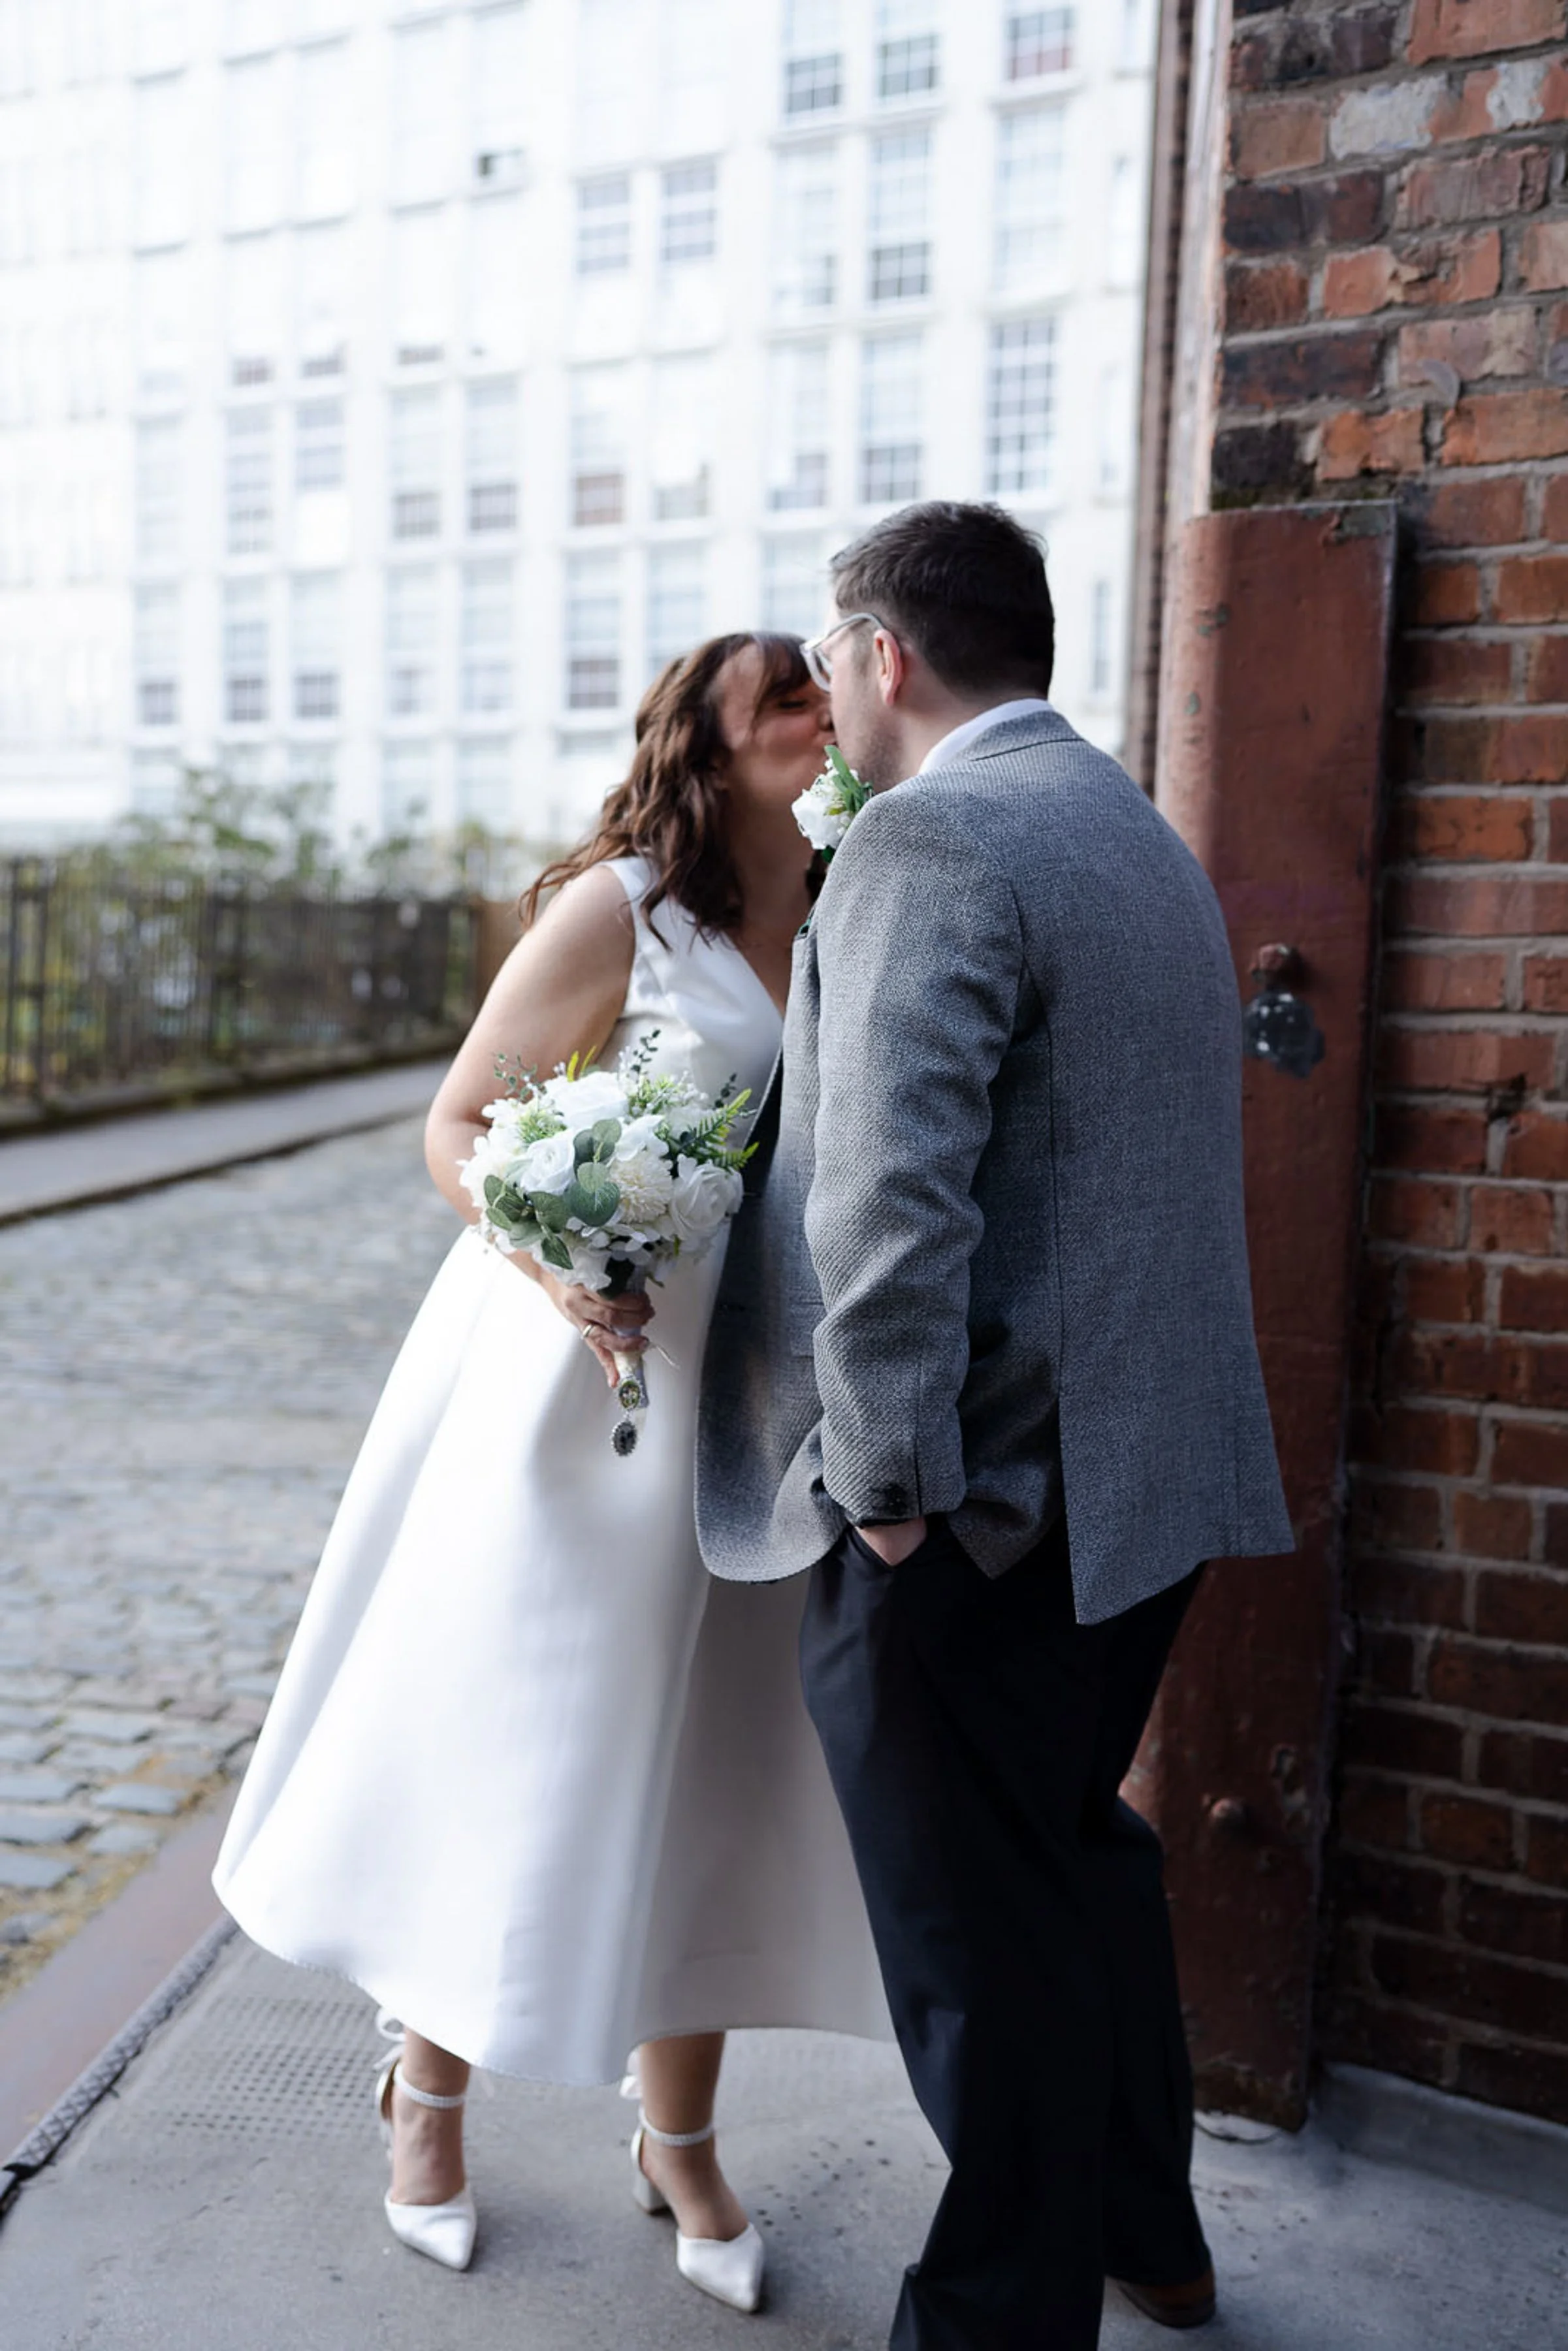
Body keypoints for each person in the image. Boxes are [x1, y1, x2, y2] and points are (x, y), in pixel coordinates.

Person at [214, 633, 888, 2301]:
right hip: (579, 1389)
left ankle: (682, 2143)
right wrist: (563, 1263)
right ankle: (424, 2094)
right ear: (712, 739)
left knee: (716, 1766)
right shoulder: (622, 912)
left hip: (766, 1408)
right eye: (786, 695)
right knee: (516, 1737)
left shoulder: (866, 890)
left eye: (830, 686)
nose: (822, 708)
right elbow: (460, 1125)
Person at [697, 504, 1294, 2350]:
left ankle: (995, 2322)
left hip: (985, 1507)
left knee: (978, 1947)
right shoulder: (1131, 829)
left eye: (832, 650)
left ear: (886, 656)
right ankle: (1152, 2234)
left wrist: (883, 1494)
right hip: (1153, 1483)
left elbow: (889, 1204)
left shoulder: (935, 837)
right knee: (1073, 1858)